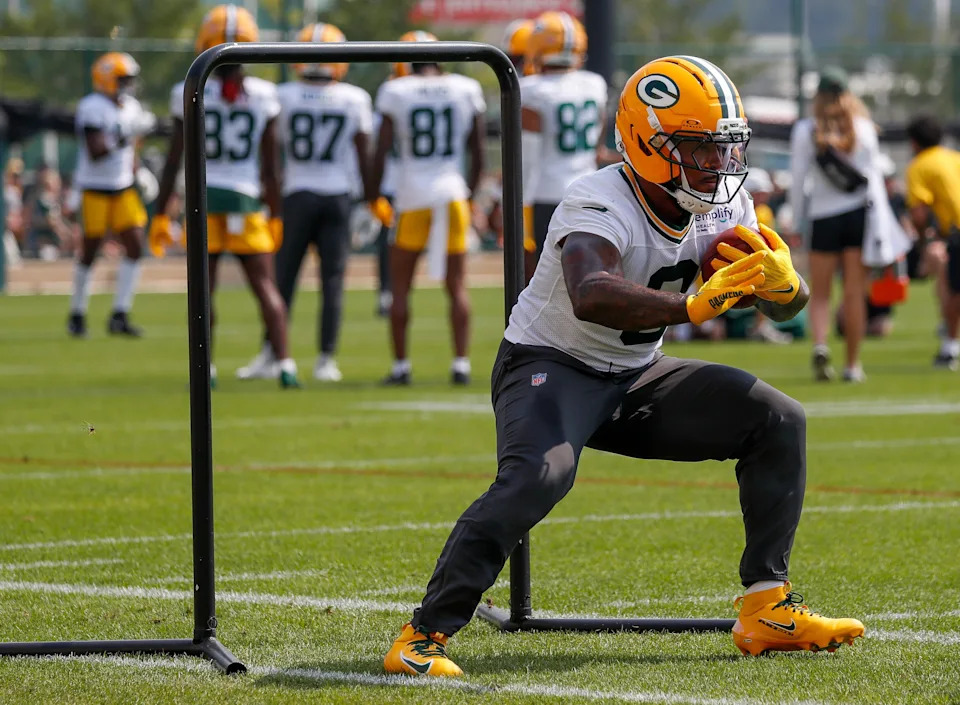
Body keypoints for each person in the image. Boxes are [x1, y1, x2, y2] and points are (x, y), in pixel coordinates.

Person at [384, 56, 863, 677]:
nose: (718, 163)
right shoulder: (598, 196)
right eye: (700, 147)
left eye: (726, 147)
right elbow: (591, 292)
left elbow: (781, 302)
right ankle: (422, 635)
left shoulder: (725, 203)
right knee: (541, 476)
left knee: (777, 417)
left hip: (637, 371)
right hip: (552, 364)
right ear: (648, 143)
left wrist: (787, 287)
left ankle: (766, 606)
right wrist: (690, 306)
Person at [150, 3, 300, 388]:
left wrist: (161, 212)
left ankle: (208, 368)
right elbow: (271, 168)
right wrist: (276, 213)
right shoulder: (264, 94)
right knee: (265, 286)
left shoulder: (189, 87)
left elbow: (174, 159)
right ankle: (286, 365)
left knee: (205, 291)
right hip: (245, 201)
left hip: (203, 201)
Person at [236, 22, 380, 383]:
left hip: (297, 193)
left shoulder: (283, 95)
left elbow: (270, 151)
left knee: (283, 277)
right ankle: (325, 359)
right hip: (337, 195)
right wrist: (371, 201)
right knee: (332, 280)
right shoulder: (354, 98)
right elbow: (364, 155)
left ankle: (272, 353)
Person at [371, 31, 486, 386]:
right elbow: (479, 151)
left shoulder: (396, 91)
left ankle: (401, 367)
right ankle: (461, 364)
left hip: (412, 197)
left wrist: (371, 196)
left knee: (400, 287)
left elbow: (381, 150)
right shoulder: (465, 88)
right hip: (452, 193)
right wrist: (470, 194)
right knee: (457, 285)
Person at [788, 68, 881, 382]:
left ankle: (820, 344)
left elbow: (798, 179)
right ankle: (852, 365)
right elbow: (874, 184)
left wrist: (797, 221)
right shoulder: (864, 128)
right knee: (853, 293)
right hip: (858, 217)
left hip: (823, 216)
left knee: (821, 293)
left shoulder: (806, 129)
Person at [68, 51, 154, 338]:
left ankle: (120, 313)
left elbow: (130, 150)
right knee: (90, 250)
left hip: (123, 186)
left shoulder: (131, 107)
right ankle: (77, 313)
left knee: (135, 245)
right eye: (123, 79)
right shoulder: (91, 107)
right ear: (106, 80)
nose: (128, 85)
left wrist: (138, 170)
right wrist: (125, 136)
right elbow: (96, 151)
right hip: (94, 188)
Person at [520, 11, 608, 279]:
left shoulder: (531, 89)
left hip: (546, 194)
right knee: (585, 271)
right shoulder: (594, 84)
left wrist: (514, 200)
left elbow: (527, 155)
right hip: (589, 190)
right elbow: (598, 144)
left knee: (540, 277)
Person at [904, 114, 960, 370]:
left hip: (956, 231)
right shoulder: (954, 157)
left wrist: (923, 237)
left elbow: (918, 211)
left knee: (954, 291)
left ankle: (950, 347)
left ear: (914, 142)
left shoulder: (919, 166)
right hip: (952, 233)